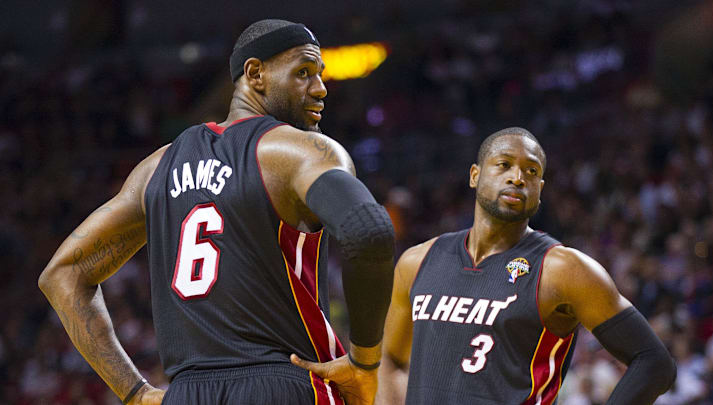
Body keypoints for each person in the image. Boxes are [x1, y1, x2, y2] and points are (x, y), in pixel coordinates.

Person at [38, 19, 395, 405]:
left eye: (320, 75)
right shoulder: (300, 151)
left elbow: (63, 273)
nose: (321, 88)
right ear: (255, 73)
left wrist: (136, 392)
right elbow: (369, 231)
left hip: (187, 393)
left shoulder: (156, 168)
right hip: (285, 383)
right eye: (304, 73)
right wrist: (364, 361)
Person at [376, 127, 676, 405]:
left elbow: (654, 363)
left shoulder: (564, 270)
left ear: (540, 188)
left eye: (531, 171)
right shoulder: (417, 261)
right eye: (504, 165)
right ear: (474, 175)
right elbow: (391, 359)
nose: (518, 177)